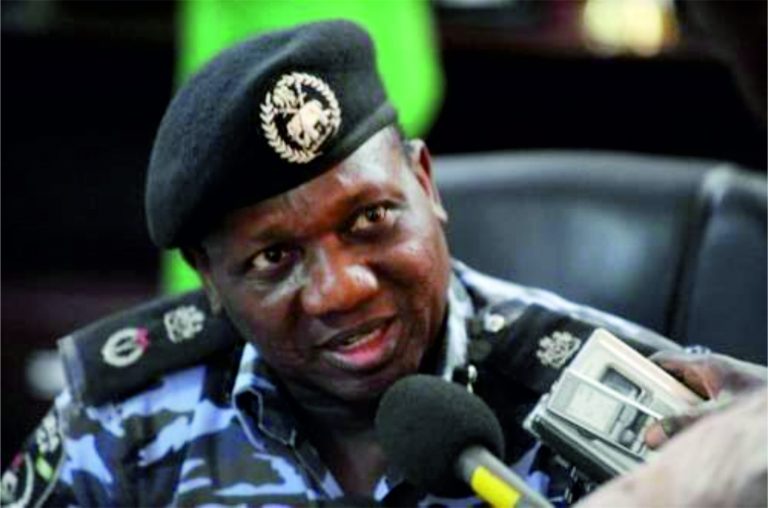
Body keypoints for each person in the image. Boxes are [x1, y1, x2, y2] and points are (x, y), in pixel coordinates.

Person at [1, 20, 764, 507]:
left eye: (369, 219)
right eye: (274, 257)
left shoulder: (625, 409)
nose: (341, 290)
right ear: (209, 277)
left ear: (425, 185)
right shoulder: (122, 419)